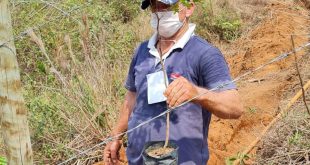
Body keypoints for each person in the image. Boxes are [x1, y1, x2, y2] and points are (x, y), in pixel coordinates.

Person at [104, 0, 244, 164]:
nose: (159, 12)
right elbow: (132, 97)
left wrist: (197, 94)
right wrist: (116, 136)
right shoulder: (142, 52)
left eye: (166, 6)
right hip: (138, 159)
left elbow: (235, 107)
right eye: (154, 7)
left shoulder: (205, 54)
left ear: (189, 8)